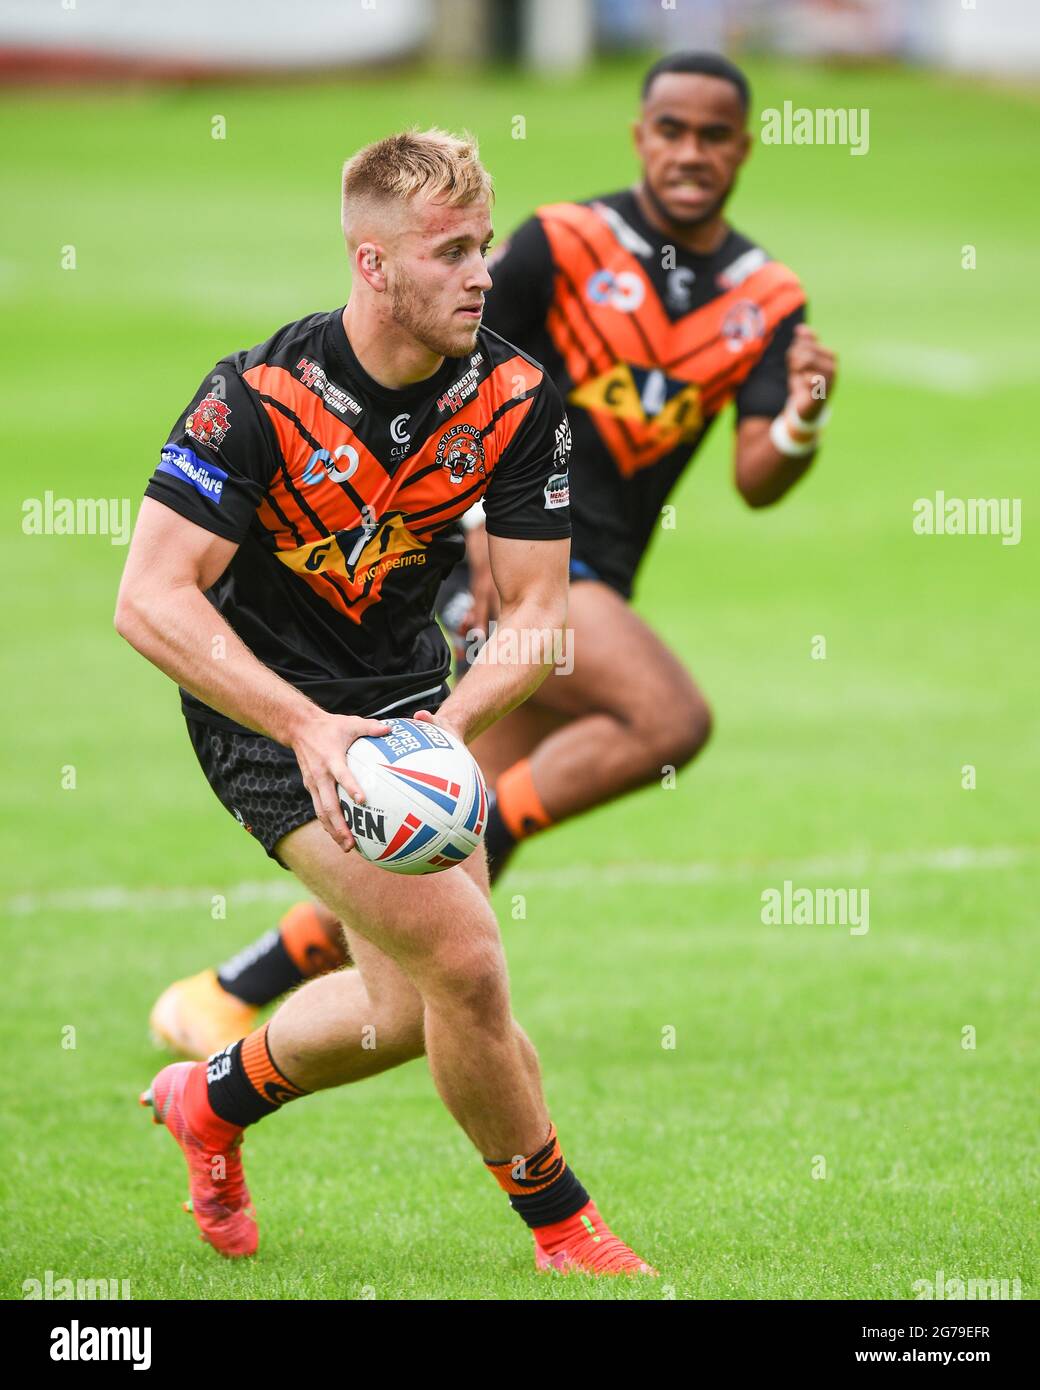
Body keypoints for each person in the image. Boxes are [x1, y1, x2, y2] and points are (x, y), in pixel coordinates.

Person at [150, 50, 838, 1060]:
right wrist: (462, 531)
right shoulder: (562, 242)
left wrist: (803, 425)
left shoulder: (768, 297)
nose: (690, 150)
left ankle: (229, 996)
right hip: (502, 566)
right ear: (639, 135)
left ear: (745, 143)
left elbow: (754, 477)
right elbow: (446, 362)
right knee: (664, 718)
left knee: (429, 821)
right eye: (670, 129)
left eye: (714, 133)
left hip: (570, 574)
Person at [117, 128, 653, 1275]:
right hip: (267, 714)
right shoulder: (255, 395)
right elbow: (151, 600)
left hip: (408, 703)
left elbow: (539, 616)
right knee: (466, 961)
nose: (481, 273)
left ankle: (210, 1101)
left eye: (486, 246)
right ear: (372, 265)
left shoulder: (512, 396)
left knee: (406, 1010)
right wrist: (311, 732)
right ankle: (565, 1232)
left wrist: (441, 734)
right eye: (451, 251)